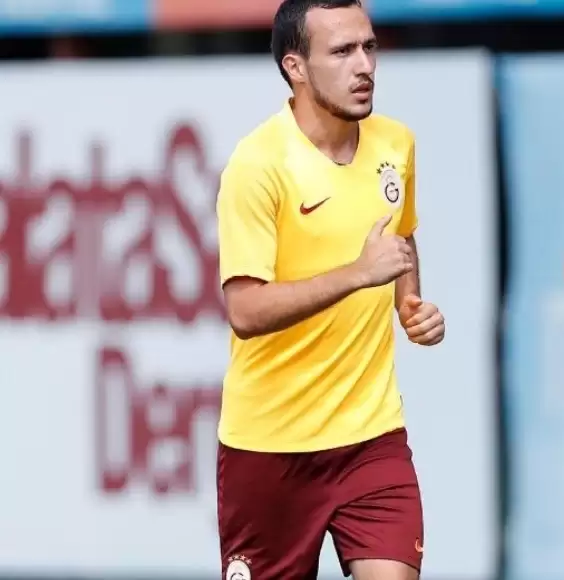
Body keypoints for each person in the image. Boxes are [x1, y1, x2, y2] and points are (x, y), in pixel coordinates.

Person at [214, 1, 445, 579]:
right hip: (269, 447)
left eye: (369, 47)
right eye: (342, 52)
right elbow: (244, 309)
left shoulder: (395, 144)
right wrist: (357, 274)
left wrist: (409, 302)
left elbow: (400, 235)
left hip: (372, 437)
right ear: (295, 67)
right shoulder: (257, 164)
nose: (363, 65)